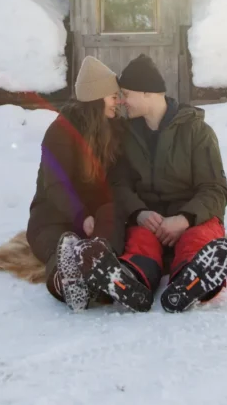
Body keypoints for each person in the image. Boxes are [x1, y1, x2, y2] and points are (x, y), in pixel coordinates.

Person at [111, 54, 227, 313]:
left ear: (147, 93)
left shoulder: (196, 131)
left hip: (190, 216)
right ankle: (130, 281)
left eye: (125, 94)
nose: (122, 101)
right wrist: (139, 212)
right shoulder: (126, 135)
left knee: (199, 237)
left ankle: (192, 280)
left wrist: (185, 218)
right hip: (150, 218)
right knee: (139, 241)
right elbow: (118, 185)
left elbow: (215, 189)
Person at [26, 56, 152, 313]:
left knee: (112, 214)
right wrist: (80, 216)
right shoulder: (60, 132)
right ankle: (67, 282)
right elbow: (56, 185)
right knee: (61, 247)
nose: (118, 101)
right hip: (54, 216)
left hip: (96, 215)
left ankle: (100, 263)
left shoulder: (114, 129)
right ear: (96, 97)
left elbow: (118, 181)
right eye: (112, 96)